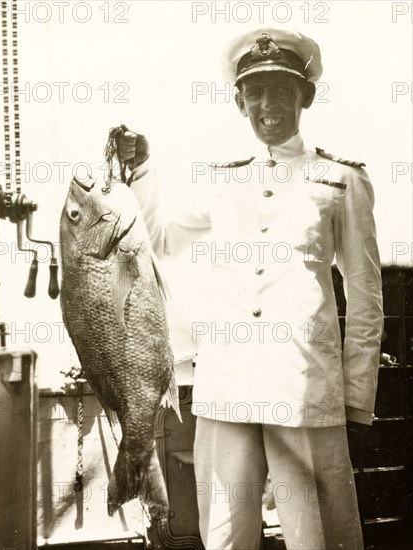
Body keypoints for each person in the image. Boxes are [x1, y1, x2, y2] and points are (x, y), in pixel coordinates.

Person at [118, 28, 383, 550]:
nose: (268, 104)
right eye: (254, 92)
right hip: (227, 390)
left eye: (282, 89)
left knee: (319, 536)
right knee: (225, 535)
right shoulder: (223, 180)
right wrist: (142, 169)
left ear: (304, 97)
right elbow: (161, 239)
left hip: (304, 391)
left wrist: (354, 397)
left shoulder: (341, 180)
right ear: (240, 103)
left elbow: (365, 293)